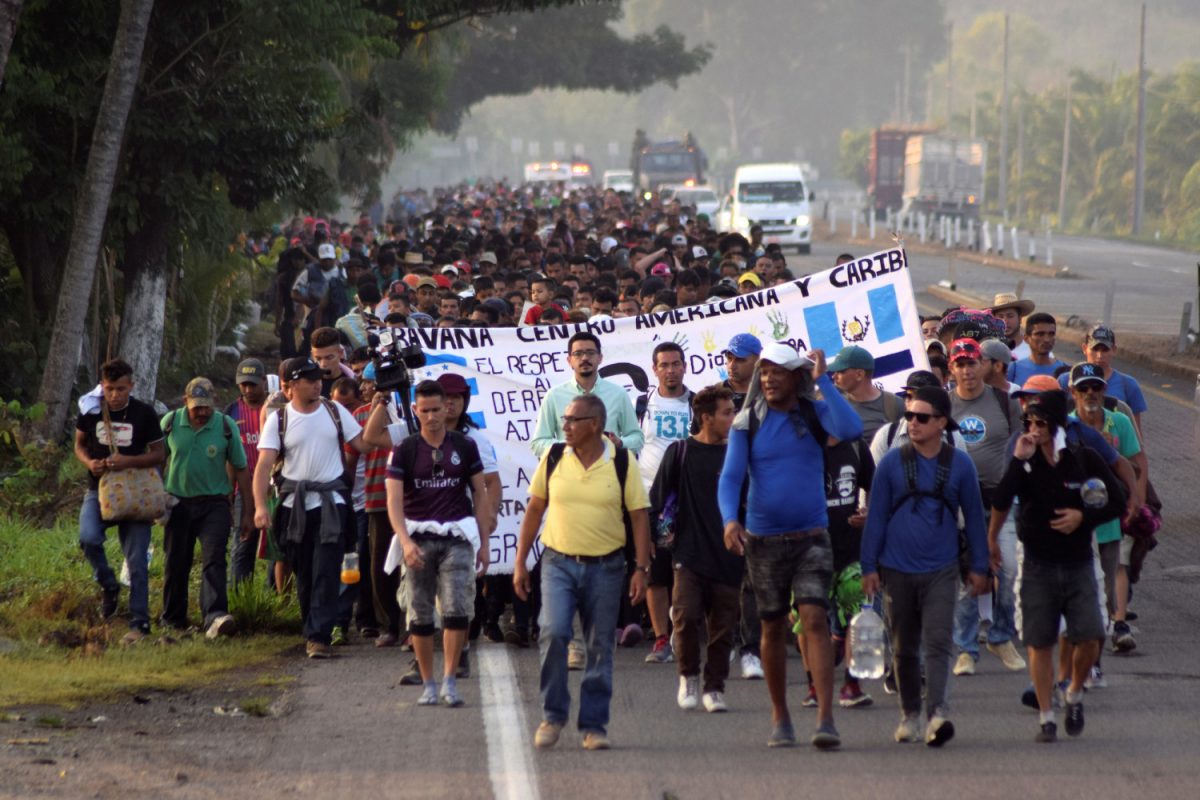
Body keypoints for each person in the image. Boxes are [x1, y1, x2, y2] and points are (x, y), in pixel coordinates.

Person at [718, 342, 864, 750]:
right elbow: (731, 479)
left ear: (795, 376)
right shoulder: (748, 422)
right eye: (764, 372)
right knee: (771, 626)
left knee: (815, 619)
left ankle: (825, 718)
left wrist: (825, 385)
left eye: (777, 371)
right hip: (763, 542)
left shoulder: (815, 414)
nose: (767, 378)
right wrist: (731, 519)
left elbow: (851, 429)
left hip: (812, 536)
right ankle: (780, 716)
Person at [513, 395, 652, 751]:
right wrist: (519, 561)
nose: (566, 426)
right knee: (554, 632)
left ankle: (593, 726)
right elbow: (534, 508)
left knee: (599, 647)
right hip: (558, 562)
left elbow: (638, 515)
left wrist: (640, 568)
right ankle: (553, 715)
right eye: (565, 418)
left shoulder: (620, 460)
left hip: (607, 567)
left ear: (595, 425)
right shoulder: (555, 456)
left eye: (573, 420)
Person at [988, 390, 1125, 743]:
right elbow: (1002, 500)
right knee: (1039, 641)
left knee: (1091, 637)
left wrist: (1084, 516)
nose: (1033, 429)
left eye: (1040, 423)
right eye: (1028, 423)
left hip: (1077, 562)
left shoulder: (1083, 459)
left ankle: (1075, 691)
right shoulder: (1026, 460)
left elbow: (1117, 499)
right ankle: (1047, 717)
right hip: (1037, 564)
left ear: (1056, 424)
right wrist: (1019, 461)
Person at [861, 386, 989, 747]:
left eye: (922, 417)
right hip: (896, 569)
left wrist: (979, 566)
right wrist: (868, 565)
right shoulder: (890, 462)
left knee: (937, 642)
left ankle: (937, 714)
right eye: (909, 416)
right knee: (903, 647)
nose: (912, 423)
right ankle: (909, 715)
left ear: (942, 423)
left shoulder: (960, 464)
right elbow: (877, 518)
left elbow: (975, 520)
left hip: (942, 568)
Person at [252, 357, 373, 659]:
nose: (318, 383)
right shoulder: (278, 420)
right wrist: (260, 507)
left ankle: (319, 635)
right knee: (304, 571)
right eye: (309, 379)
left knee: (326, 571)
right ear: (292, 385)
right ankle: (312, 629)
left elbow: (364, 444)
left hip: (332, 504)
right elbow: (263, 465)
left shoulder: (335, 411)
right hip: (294, 507)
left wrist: (383, 407)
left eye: (318, 378)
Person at [385, 380, 492, 707]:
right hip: (419, 539)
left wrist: (484, 542)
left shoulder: (464, 445)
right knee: (420, 614)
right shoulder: (405, 449)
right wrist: (404, 540)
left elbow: (480, 493)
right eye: (425, 411)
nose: (431, 417)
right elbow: (394, 500)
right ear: (415, 411)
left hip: (456, 538)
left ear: (447, 408)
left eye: (436, 409)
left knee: (457, 609)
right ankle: (428, 682)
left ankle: (450, 679)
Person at [650, 385, 742, 712]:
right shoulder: (680, 452)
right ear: (706, 418)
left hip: (730, 556)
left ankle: (714, 687)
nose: (733, 418)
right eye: (727, 412)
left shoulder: (737, 454)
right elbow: (656, 501)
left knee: (722, 628)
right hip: (687, 555)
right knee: (686, 617)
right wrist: (652, 546)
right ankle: (688, 676)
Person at [946, 338, 1027, 676]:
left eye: (972, 363)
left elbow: (1020, 448)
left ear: (983, 365)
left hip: (1001, 499)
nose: (967, 370)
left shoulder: (1005, 401)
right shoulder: (944, 404)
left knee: (1008, 569)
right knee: (968, 576)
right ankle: (966, 649)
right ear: (952, 368)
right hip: (961, 501)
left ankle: (1000, 635)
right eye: (960, 364)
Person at [74, 358, 165, 646]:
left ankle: (140, 621)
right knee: (88, 538)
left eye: (121, 389)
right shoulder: (90, 411)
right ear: (102, 386)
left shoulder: (144, 414)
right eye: (110, 388)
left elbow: (159, 454)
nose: (115, 395)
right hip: (99, 489)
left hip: (135, 493)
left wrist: (128, 461)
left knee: (137, 560)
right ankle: (109, 585)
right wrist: (90, 463)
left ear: (131, 386)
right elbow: (79, 444)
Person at [160, 378, 252, 638]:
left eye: (206, 408)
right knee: (176, 561)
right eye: (195, 408)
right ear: (185, 402)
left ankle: (215, 616)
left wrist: (247, 512)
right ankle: (173, 618)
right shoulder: (169, 424)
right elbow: (157, 460)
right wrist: (153, 499)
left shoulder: (225, 426)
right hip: (177, 502)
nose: (201, 413)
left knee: (214, 559)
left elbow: (242, 469)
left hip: (215, 504)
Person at [1067, 363, 1146, 654]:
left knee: (1114, 567)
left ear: (1104, 391)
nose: (1090, 393)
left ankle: (1118, 622)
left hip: (1112, 510)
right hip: (1077, 513)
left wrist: (1135, 499)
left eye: (1096, 387)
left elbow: (1135, 461)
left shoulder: (1120, 423)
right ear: (1072, 392)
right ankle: (1088, 628)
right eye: (1083, 388)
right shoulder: (1065, 426)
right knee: (1082, 572)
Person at [638, 341, 694, 664]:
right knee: (655, 572)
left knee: (686, 571)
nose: (671, 370)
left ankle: (685, 633)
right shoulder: (642, 404)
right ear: (654, 368)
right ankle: (661, 638)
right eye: (665, 364)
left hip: (689, 499)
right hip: (650, 499)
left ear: (684, 366)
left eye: (676, 364)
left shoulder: (697, 404)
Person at [719, 332, 764, 678]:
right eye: (729, 358)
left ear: (757, 361)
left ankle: (752, 646)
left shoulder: (768, 396)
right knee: (726, 576)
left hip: (761, 496)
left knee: (753, 579)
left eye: (740, 359)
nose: (733, 365)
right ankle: (728, 638)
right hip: (726, 493)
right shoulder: (716, 396)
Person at [1057, 325, 1148, 438]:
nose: (1100, 356)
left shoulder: (1128, 384)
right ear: (1085, 348)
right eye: (1095, 349)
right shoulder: (1065, 380)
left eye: (1105, 350)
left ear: (1114, 350)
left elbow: (1136, 435)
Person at [225, 359, 268, 585]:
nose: (249, 390)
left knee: (275, 547)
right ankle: (240, 598)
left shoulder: (275, 408)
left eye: (253, 384)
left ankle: (278, 599)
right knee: (243, 542)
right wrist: (228, 493)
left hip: (274, 488)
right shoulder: (231, 412)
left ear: (264, 381)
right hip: (244, 489)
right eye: (244, 385)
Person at [828, 345, 901, 443]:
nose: (834, 376)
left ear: (859, 374)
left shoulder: (895, 405)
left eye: (840, 371)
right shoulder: (834, 406)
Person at [1007, 313, 1069, 386]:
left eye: (1051, 334)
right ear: (1026, 338)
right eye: (1040, 334)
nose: (1047, 339)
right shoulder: (1014, 369)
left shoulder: (1066, 370)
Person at [987, 293, 1036, 358]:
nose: (1005, 321)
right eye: (1000, 317)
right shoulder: (986, 350)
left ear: (1020, 318)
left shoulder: (1034, 351)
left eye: (1010, 316)